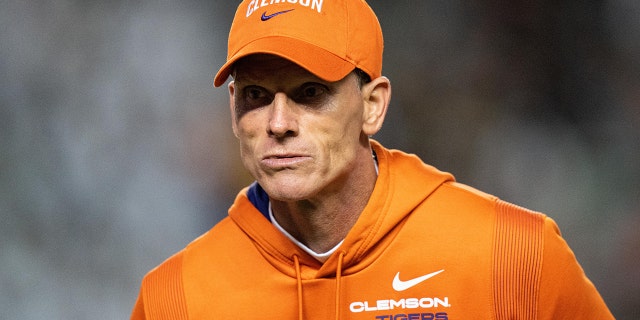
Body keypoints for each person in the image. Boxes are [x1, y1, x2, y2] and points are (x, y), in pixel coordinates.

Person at [131, 0, 614, 319]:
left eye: (310, 93)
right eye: (256, 95)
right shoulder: (175, 299)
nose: (278, 123)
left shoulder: (513, 256)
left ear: (373, 106)